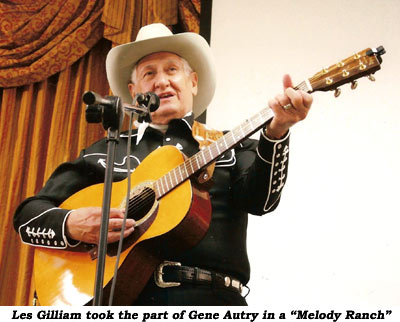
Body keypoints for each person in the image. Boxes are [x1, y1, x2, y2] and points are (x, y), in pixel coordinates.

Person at [13, 23, 313, 305]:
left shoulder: (229, 145)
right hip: (123, 307)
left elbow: (261, 201)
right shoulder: (105, 150)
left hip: (214, 307)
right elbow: (28, 215)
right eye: (148, 73)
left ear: (193, 82)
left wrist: (276, 132)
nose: (162, 81)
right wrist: (72, 225)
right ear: (134, 93)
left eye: (172, 69)